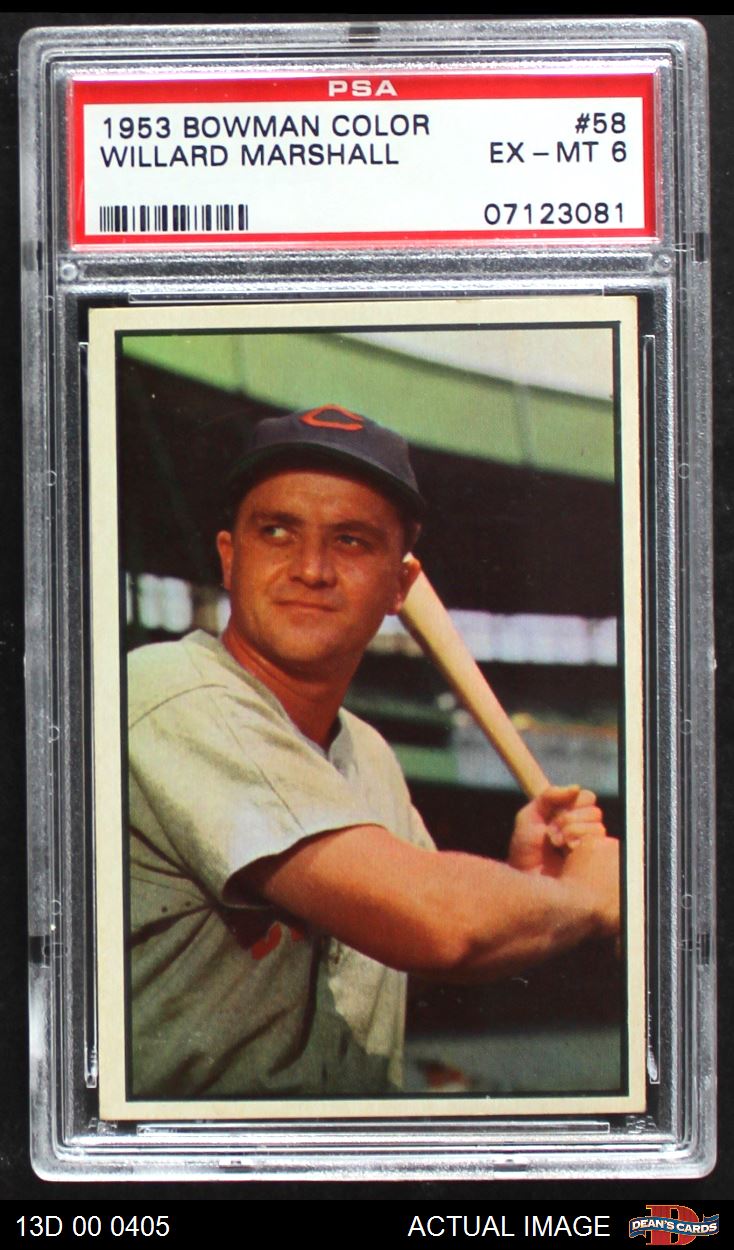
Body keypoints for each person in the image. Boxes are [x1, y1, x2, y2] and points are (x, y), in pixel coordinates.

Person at [127, 405, 619, 1101]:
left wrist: (527, 887)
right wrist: (588, 897)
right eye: (277, 532)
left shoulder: (371, 754)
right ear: (230, 559)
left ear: (398, 586)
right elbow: (437, 925)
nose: (311, 569)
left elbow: (430, 948)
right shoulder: (168, 693)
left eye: (352, 541)